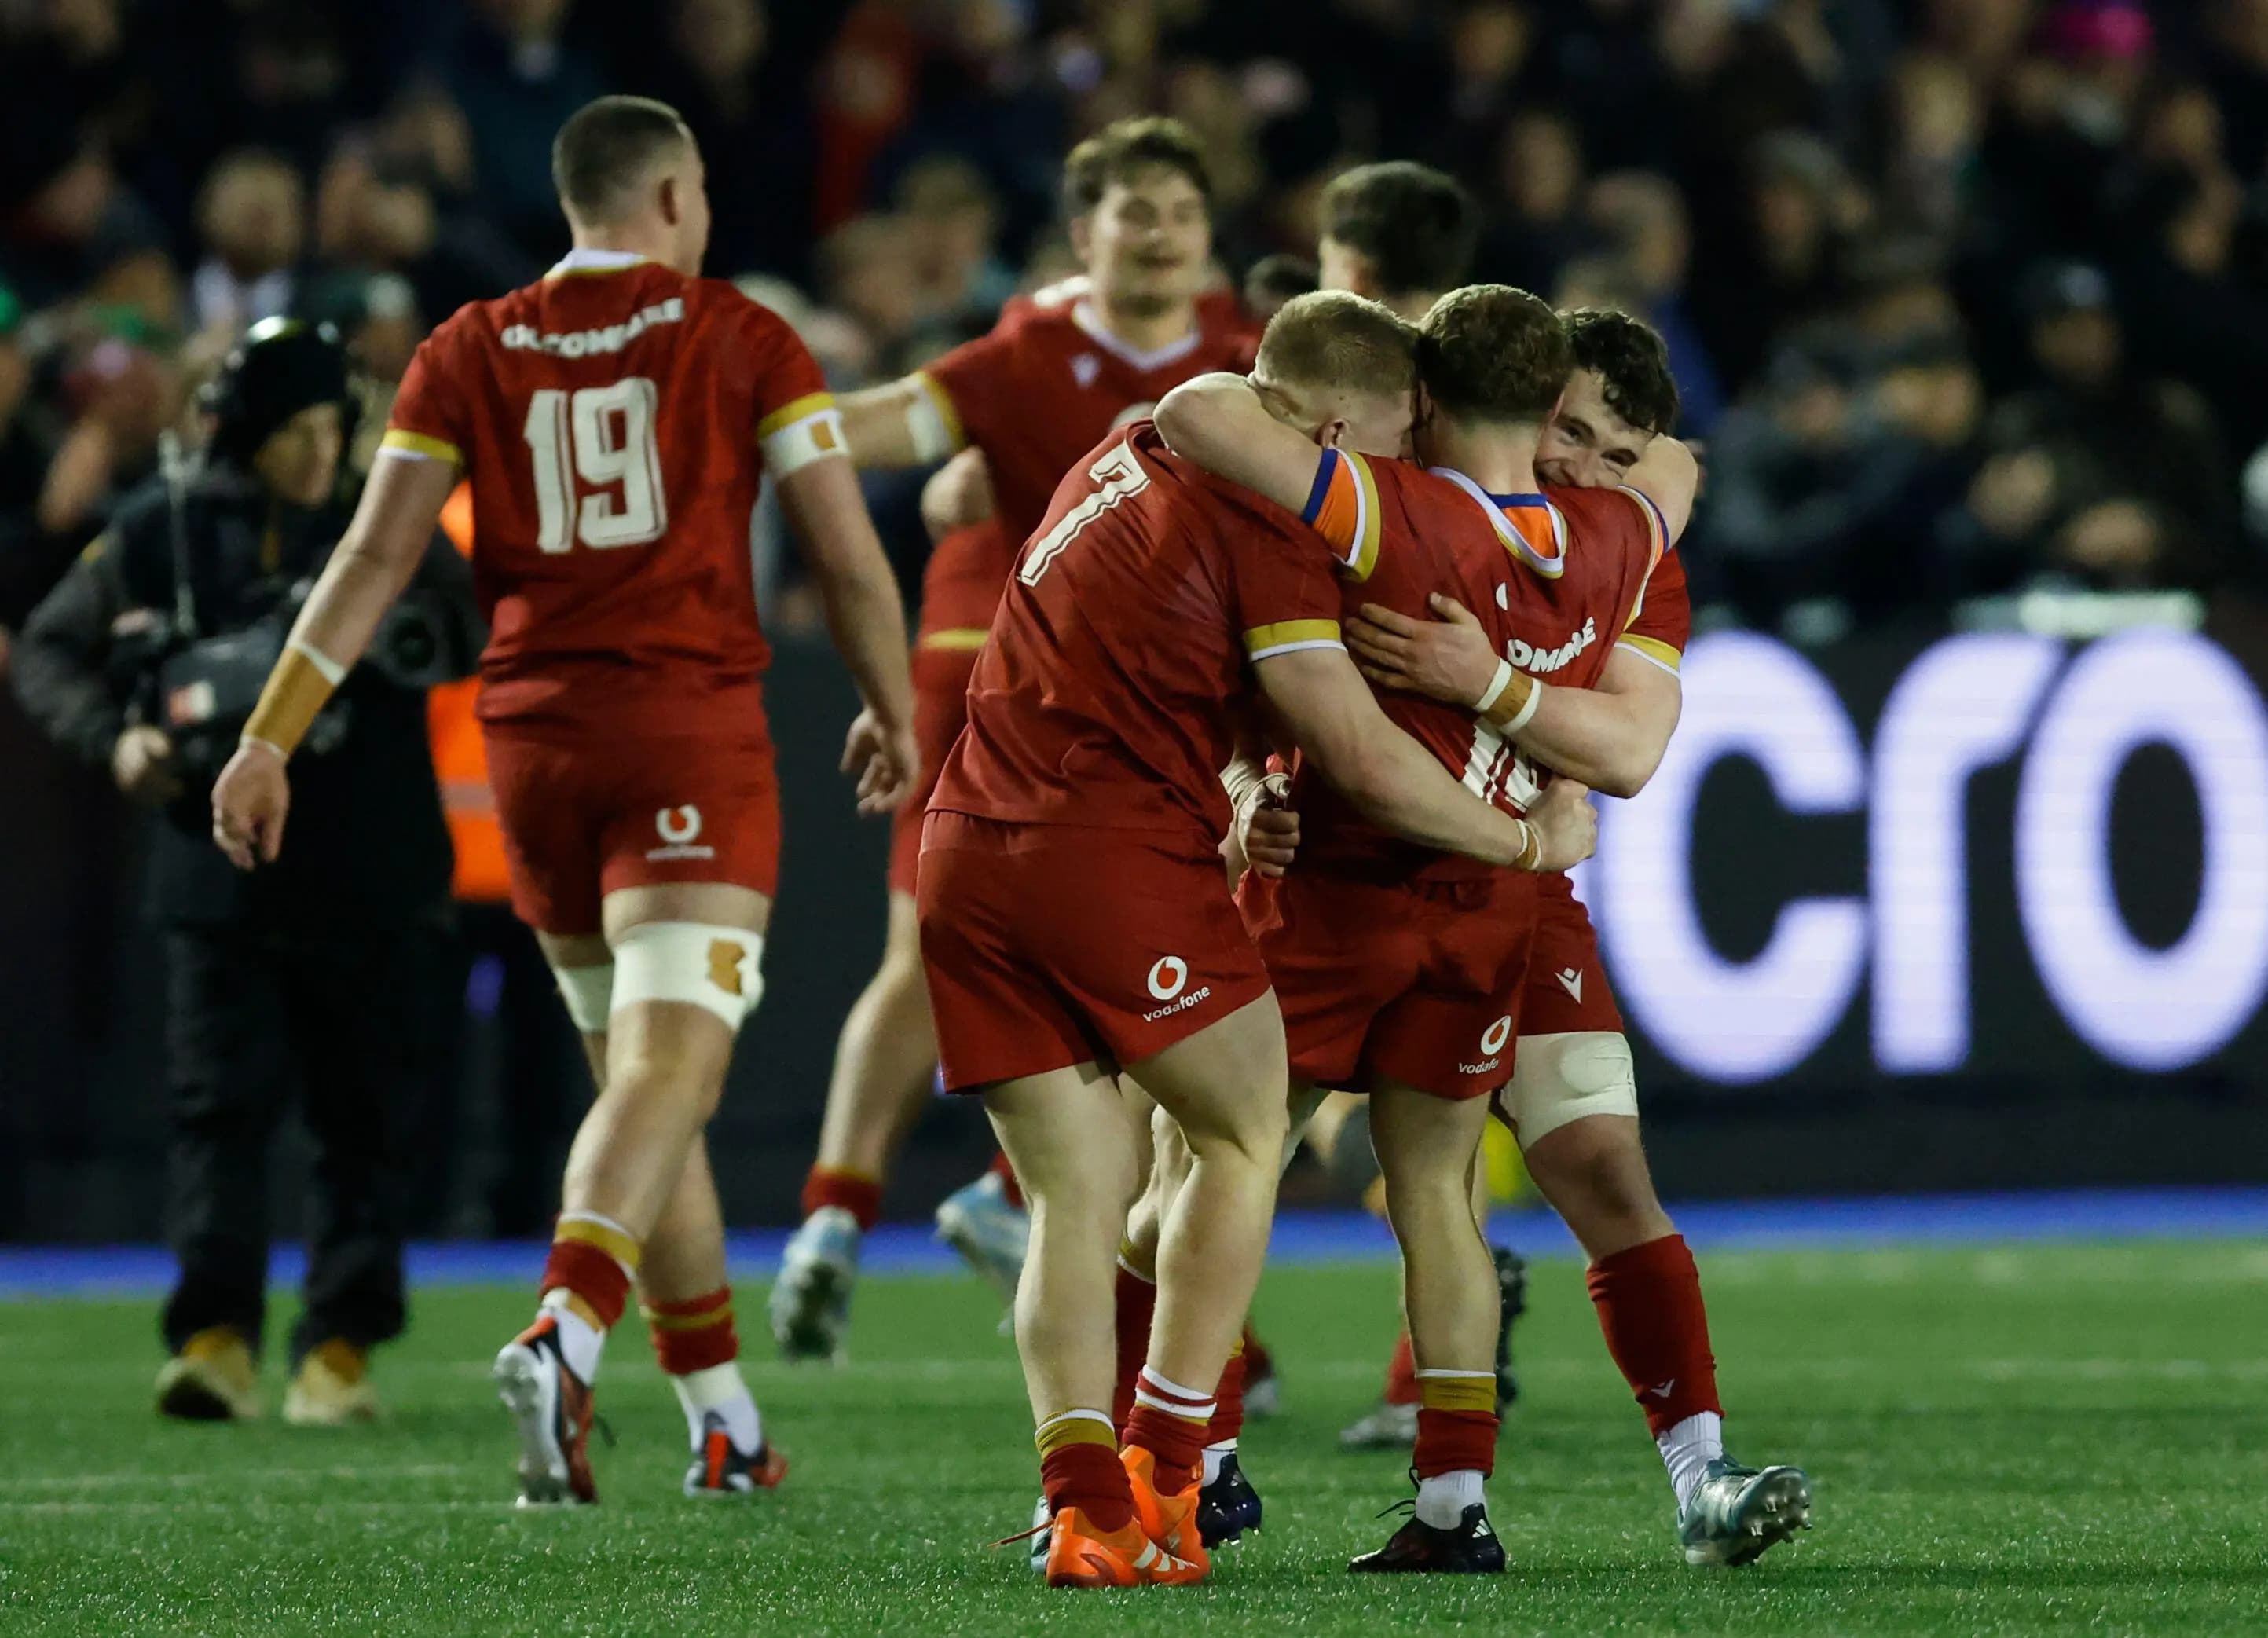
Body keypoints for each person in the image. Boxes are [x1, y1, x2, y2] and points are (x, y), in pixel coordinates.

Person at [208, 97, 918, 1504]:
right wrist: (897, 705)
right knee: (671, 1074)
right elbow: (841, 553)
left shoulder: (465, 346)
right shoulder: (742, 334)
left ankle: (721, 1417)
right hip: (683, 735)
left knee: (641, 1092)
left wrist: (265, 735)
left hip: (535, 746)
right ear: (669, 198)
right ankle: (568, 1324)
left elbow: (367, 560)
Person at [915, 288, 1592, 1588]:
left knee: (1076, 1197)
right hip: (1101, 855)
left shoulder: (1111, 454)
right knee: (1237, 1132)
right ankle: (1172, 1475)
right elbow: (1363, 759)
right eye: (1397, 444)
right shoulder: (1278, 527)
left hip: (967, 848)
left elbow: (1151, 649)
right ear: (1335, 427)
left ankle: (1081, 1506)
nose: (1404, 475)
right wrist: (1526, 843)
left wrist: (1236, 786)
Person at [1148, 285, 1693, 1570]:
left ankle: (1196, 1458)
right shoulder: (1620, 534)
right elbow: (1670, 475)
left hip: (1346, 883)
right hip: (1489, 916)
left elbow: (1196, 415)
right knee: (1441, 1190)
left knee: (1216, 1162)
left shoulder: (1389, 510)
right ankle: (1455, 1501)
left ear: (1432, 400)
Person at [771, 115, 1256, 1360]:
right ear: (1079, 233)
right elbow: (891, 425)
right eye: (1132, 210)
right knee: (929, 948)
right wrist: (764, 427)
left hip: (1162, 711)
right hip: (998, 687)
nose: (1158, 235)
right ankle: (845, 1214)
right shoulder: (1026, 353)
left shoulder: (1245, 361)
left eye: (1179, 214)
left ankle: (1026, 1213)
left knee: (1145, 976)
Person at [1337, 309, 1816, 1568]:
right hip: (1330, 867)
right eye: (1568, 431)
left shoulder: (1629, 544)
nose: (1581, 471)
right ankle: (1165, 1470)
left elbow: (1631, 749)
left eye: (1613, 454)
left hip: (1516, 882)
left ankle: (1703, 1478)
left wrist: (1484, 684)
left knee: (1600, 1164)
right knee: (1209, 1164)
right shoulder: (1406, 491)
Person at [11, 319, 482, 1426]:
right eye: (294, 432)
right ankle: (216, 1336)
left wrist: (380, 636)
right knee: (217, 1108)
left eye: (332, 428)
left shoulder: (392, 516)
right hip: (214, 867)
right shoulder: (162, 528)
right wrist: (115, 737)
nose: (319, 455)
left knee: (363, 1114)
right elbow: (49, 647)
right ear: (247, 431)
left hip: (371, 859)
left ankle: (340, 1344)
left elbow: (466, 630)